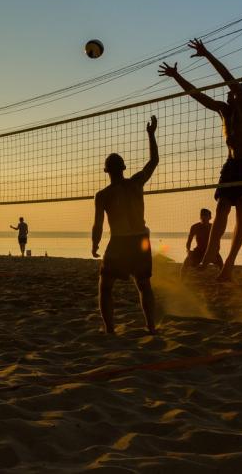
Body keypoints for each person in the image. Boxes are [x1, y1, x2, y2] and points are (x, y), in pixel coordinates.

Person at [159, 38, 242, 282]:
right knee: (222, 209)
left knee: (241, 214)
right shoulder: (224, 111)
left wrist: (206, 54)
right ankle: (208, 256)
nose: (228, 97)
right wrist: (176, 77)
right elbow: (198, 96)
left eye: (232, 94)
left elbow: (229, 79)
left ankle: (229, 265)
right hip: (231, 165)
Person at [92, 115, 159, 335]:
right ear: (123, 167)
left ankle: (110, 329)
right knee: (143, 285)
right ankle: (151, 328)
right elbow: (154, 161)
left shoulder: (103, 195)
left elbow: (98, 225)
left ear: (107, 171)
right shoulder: (136, 183)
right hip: (141, 239)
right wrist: (151, 135)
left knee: (105, 286)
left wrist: (94, 244)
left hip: (120, 242)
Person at [181, 208, 224, 276]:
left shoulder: (213, 227)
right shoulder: (195, 227)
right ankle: (182, 280)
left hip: (210, 251)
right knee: (185, 265)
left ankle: (224, 279)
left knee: (221, 265)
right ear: (200, 217)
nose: (203, 217)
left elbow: (217, 243)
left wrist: (215, 252)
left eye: (206, 215)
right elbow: (189, 241)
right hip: (199, 251)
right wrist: (188, 251)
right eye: (202, 215)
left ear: (210, 217)